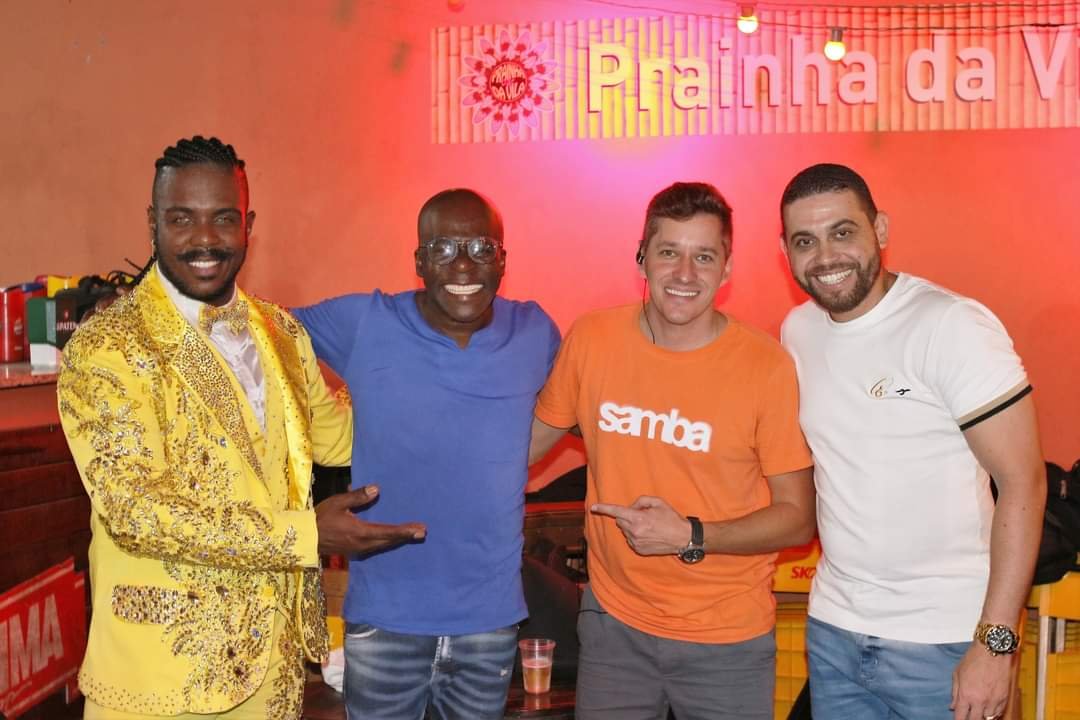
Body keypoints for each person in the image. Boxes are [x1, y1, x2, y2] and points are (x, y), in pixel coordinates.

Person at [57, 136, 425, 720]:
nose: (204, 238)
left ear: (248, 225)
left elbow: (343, 438)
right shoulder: (108, 346)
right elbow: (137, 512)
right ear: (153, 223)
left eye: (223, 218)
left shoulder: (280, 331)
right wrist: (306, 536)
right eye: (182, 219)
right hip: (161, 679)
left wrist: (444, 379)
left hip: (273, 676)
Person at [529, 182, 816, 720]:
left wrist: (690, 536)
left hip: (726, 638)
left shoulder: (766, 367)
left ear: (727, 269)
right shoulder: (592, 339)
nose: (685, 274)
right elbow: (518, 452)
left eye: (704, 256)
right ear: (642, 258)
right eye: (669, 252)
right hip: (613, 627)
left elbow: (798, 519)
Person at [778, 163, 1045, 720]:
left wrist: (996, 645)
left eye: (842, 232)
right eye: (805, 241)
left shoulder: (952, 326)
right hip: (834, 631)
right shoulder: (797, 331)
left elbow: (1024, 483)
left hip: (947, 639)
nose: (825, 256)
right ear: (785, 252)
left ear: (879, 229)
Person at [292, 188, 561, 720]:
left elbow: (579, 410)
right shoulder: (364, 321)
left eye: (481, 248)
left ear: (503, 260)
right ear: (418, 261)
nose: (463, 265)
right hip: (384, 619)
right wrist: (320, 427)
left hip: (488, 621)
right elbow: (254, 331)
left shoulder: (535, 332)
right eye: (442, 249)